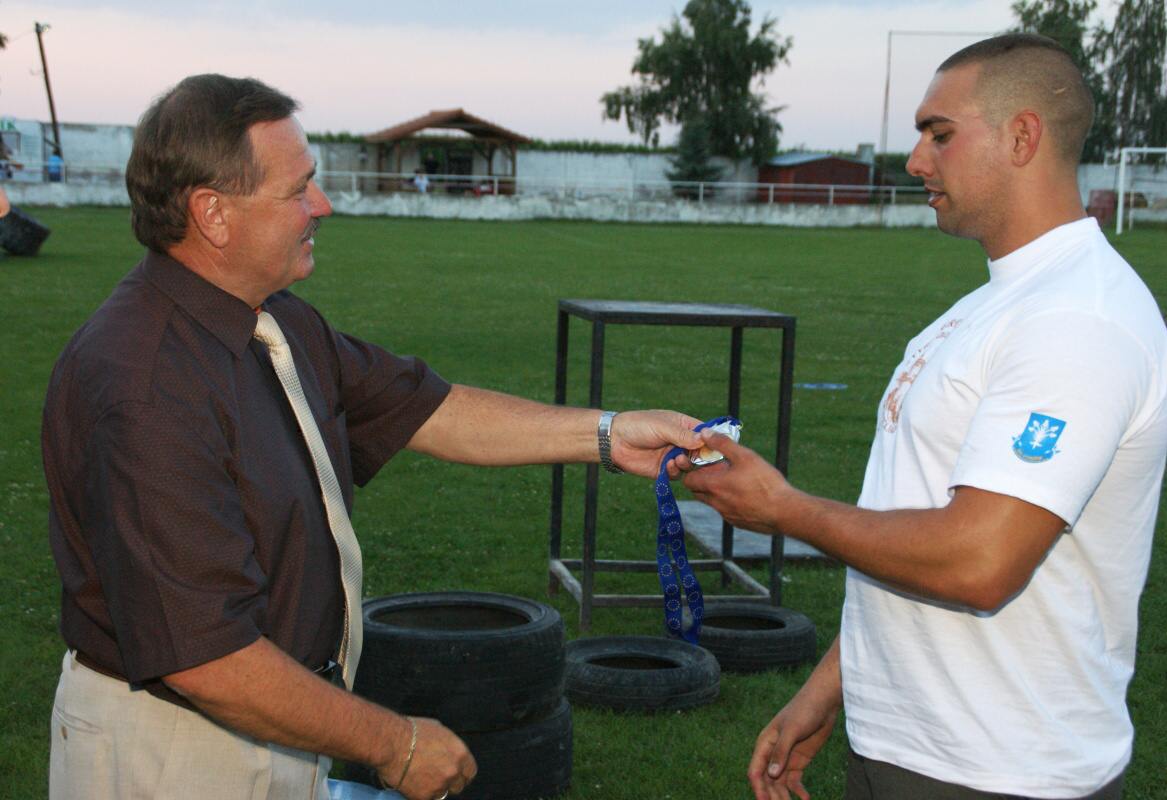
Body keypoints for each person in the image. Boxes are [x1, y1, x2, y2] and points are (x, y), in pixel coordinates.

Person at [42, 73, 703, 800]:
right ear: (213, 213)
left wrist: (609, 434)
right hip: (174, 754)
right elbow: (207, 657)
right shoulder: (144, 386)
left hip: (276, 720)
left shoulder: (275, 321)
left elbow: (432, 410)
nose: (323, 205)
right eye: (298, 190)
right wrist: (396, 744)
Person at [682, 33, 1167, 800]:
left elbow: (980, 561)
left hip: (1002, 771)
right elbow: (909, 519)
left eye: (939, 134)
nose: (916, 160)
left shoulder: (1080, 320)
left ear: (1022, 137)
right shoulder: (987, 308)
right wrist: (831, 684)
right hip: (908, 748)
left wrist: (784, 509)